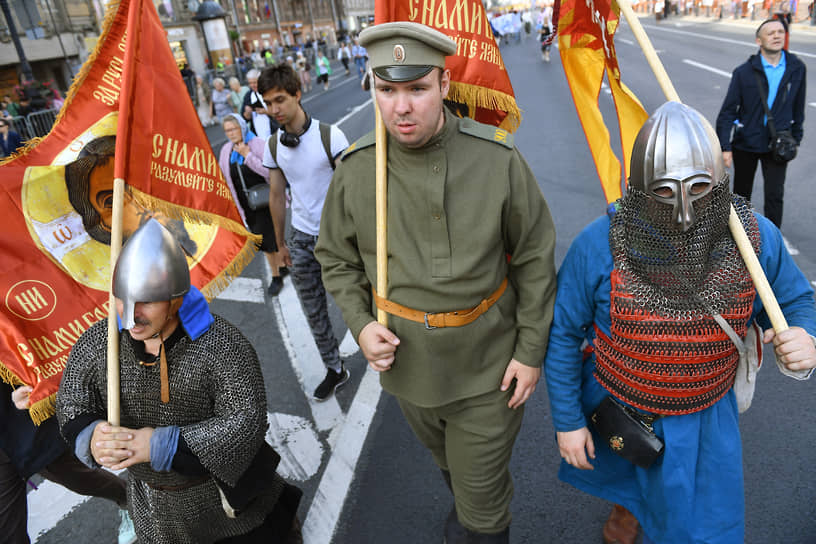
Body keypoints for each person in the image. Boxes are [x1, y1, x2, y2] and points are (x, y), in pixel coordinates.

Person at [314, 22, 556, 543]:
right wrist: (359, 325)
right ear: (373, 89)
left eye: (417, 88)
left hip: (489, 369)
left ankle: (479, 517)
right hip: (407, 372)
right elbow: (334, 256)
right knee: (453, 469)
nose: (401, 107)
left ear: (444, 86)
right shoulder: (357, 169)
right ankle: (470, 501)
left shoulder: (498, 159)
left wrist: (531, 350)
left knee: (485, 514)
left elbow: (535, 257)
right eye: (387, 90)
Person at [543, 102, 816, 544]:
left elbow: (797, 300)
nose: (684, 215)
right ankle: (629, 505)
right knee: (633, 477)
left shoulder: (754, 238)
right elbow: (563, 335)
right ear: (638, 188)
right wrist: (568, 421)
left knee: (704, 529)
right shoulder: (598, 244)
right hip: (620, 398)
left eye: (701, 189)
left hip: (704, 412)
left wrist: (806, 334)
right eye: (665, 194)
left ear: (721, 184)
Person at [56, 219, 303, 544]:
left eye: (146, 301)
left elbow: (245, 424)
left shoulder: (221, 345)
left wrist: (162, 445)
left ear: (175, 300)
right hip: (154, 506)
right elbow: (73, 400)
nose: (130, 314)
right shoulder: (101, 342)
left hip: (226, 501)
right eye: (122, 299)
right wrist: (91, 435)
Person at [257, 64, 351, 401]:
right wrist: (281, 244)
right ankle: (335, 369)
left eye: (280, 99)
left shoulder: (330, 137)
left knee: (356, 301)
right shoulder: (273, 146)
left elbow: (352, 191)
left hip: (338, 239)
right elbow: (276, 195)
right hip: (300, 238)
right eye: (268, 103)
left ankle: (380, 348)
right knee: (314, 310)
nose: (275, 109)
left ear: (297, 94)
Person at [0, 381, 135, 544]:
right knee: (7, 532)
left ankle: (133, 501)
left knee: (73, 475)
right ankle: (134, 499)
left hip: (21, 417)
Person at [715, 18, 806, 229]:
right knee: (741, 195)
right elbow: (727, 112)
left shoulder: (796, 68)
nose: (776, 36)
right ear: (759, 40)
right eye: (770, 33)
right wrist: (725, 147)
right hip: (746, 142)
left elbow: (798, 107)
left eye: (780, 32)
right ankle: (739, 240)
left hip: (778, 143)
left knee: (775, 195)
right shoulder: (744, 72)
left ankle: (773, 240)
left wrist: (796, 137)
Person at [218, 113, 287, 296]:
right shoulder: (226, 150)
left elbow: (270, 171)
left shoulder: (256, 144)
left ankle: (276, 276)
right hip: (247, 204)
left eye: (234, 129)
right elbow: (225, 178)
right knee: (268, 238)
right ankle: (282, 264)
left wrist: (247, 156)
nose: (231, 133)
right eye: (227, 131)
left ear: (242, 126)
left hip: (267, 201)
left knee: (265, 240)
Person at [242, 69, 278, 140]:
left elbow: (281, 111)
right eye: (250, 83)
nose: (252, 85)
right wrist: (247, 113)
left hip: (274, 131)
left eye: (255, 82)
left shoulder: (269, 92)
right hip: (258, 135)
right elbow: (244, 118)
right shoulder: (248, 96)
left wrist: (265, 112)